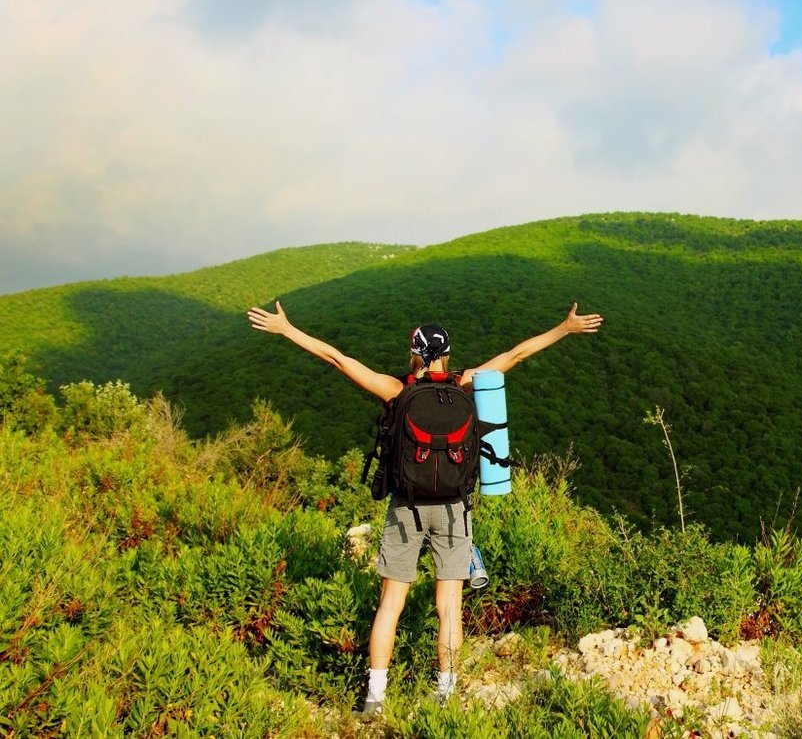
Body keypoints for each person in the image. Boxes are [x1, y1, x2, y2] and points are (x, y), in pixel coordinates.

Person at [246, 299, 603, 712]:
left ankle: (375, 697)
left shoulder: (396, 391)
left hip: (406, 508)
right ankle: (446, 693)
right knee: (448, 605)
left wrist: (287, 329)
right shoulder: (466, 383)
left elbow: (337, 359)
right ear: (447, 354)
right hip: (454, 508)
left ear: (414, 353)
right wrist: (564, 327)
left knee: (391, 603)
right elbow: (516, 354)